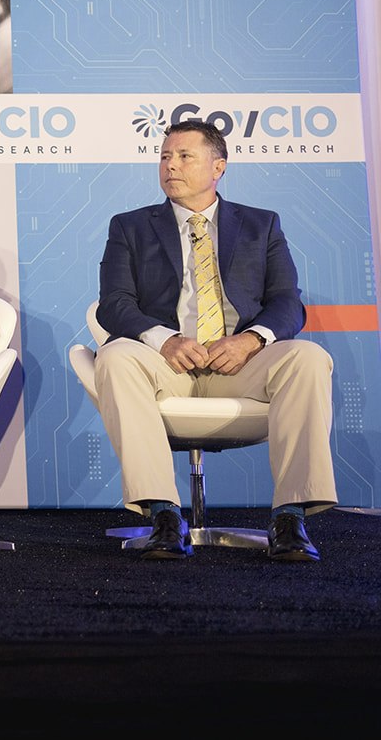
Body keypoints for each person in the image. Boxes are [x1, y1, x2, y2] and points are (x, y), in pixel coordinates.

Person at [94, 118, 335, 561]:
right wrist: (164, 340)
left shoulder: (261, 225)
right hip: (168, 365)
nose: (170, 165)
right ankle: (164, 515)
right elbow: (114, 304)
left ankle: (290, 518)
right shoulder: (130, 226)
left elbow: (287, 303)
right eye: (165, 156)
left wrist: (250, 341)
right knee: (116, 356)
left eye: (184, 156)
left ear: (218, 166)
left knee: (307, 357)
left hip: (240, 365)